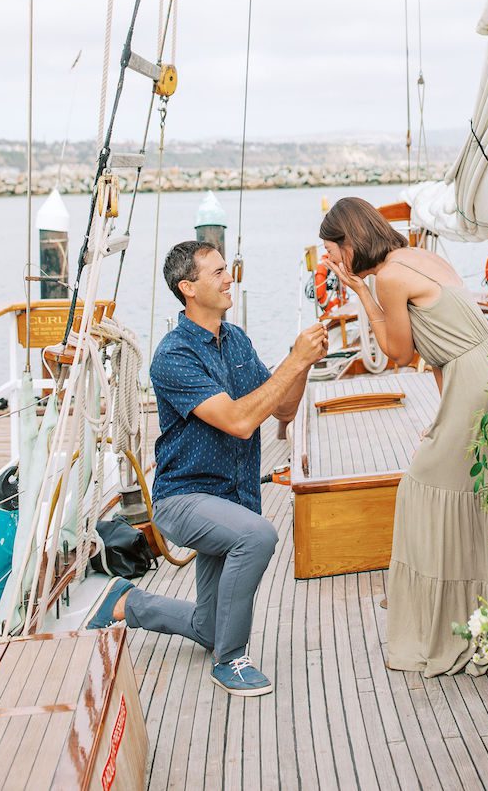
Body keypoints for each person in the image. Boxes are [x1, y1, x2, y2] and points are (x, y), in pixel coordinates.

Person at [89, 239, 327, 696]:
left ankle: (125, 603)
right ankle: (232, 660)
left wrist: (303, 366)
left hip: (233, 499)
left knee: (208, 624)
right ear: (189, 288)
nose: (228, 276)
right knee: (257, 536)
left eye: (226, 268)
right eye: (217, 272)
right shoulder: (174, 356)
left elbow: (282, 410)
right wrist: (293, 360)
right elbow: (239, 422)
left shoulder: (236, 339)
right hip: (184, 498)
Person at [319, 196, 488, 677]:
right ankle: (481, 607)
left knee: (422, 490)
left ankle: (446, 622)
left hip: (476, 386)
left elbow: (399, 352)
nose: (334, 261)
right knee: (477, 491)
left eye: (333, 250)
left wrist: (360, 293)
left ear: (351, 240)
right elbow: (444, 348)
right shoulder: (423, 257)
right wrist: (447, 414)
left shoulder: (386, 277)